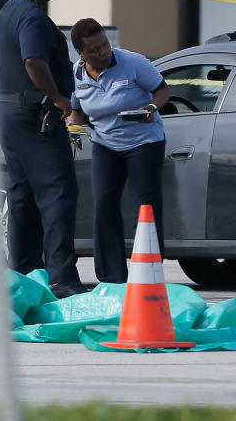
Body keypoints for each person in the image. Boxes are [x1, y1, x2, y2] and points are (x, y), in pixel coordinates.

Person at [0, 0, 84, 298]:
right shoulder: (32, 16)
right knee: (58, 192)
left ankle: (23, 274)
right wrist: (60, 99)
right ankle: (62, 278)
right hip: (34, 114)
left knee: (23, 194)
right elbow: (33, 61)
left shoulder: (6, 12)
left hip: (9, 111)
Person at [68, 18, 170, 283]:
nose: (103, 51)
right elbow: (76, 109)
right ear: (81, 54)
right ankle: (111, 278)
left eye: (105, 44)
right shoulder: (77, 74)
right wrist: (72, 125)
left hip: (144, 142)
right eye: (95, 49)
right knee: (104, 205)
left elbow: (162, 91)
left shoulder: (133, 62)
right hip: (105, 144)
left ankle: (148, 273)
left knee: (145, 207)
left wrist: (151, 108)